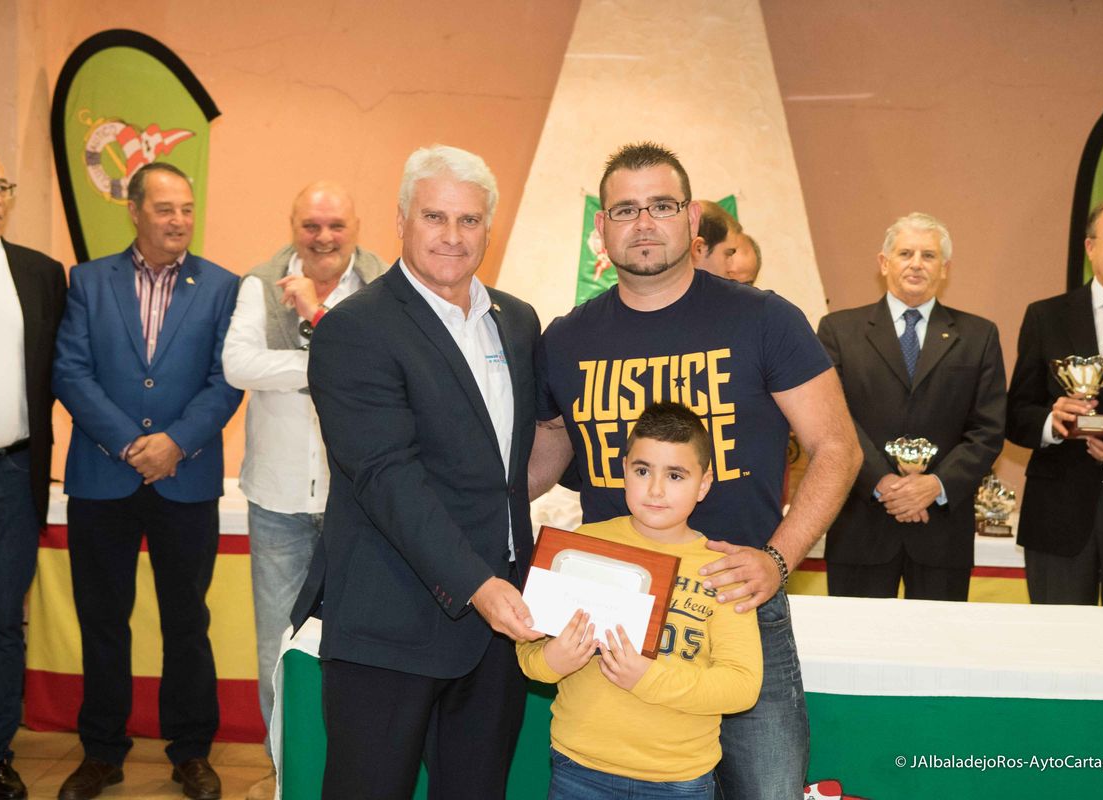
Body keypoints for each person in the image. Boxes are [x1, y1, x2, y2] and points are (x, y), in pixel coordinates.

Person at [529, 142, 860, 800]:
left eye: (661, 205)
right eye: (625, 209)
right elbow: (542, 461)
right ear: (601, 227)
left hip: (737, 600)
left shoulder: (764, 319)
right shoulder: (565, 340)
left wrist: (779, 558)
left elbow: (837, 448)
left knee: (766, 790)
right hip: (614, 607)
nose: (643, 223)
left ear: (691, 217)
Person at [293, 145, 541, 800]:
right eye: (435, 217)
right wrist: (478, 585)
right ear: (402, 220)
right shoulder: (355, 329)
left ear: (488, 228)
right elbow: (386, 477)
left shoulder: (517, 323)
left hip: (495, 632)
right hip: (389, 624)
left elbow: (511, 465)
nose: (453, 236)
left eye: (469, 219)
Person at [52, 162, 243, 800]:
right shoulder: (88, 281)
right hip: (102, 477)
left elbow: (226, 380)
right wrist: (131, 444)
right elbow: (70, 371)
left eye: (186, 208)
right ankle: (101, 753)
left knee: (187, 621)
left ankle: (191, 753)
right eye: (165, 209)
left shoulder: (221, 286)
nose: (178, 220)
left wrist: (176, 443)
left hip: (185, 480)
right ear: (133, 211)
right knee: (103, 620)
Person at [221, 181, 386, 799]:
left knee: (363, 648)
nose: (323, 237)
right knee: (278, 651)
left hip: (362, 503)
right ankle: (285, 776)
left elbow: (388, 370)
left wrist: (317, 326)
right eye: (311, 225)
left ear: (357, 226)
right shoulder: (260, 284)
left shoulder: (384, 285)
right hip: (279, 501)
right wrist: (326, 366)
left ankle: (350, 778)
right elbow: (238, 364)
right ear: (293, 226)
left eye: (336, 225)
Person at [519, 401, 762, 799]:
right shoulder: (581, 545)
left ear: (703, 484)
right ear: (624, 470)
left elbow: (741, 686)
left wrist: (647, 679)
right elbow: (527, 651)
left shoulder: (722, 569)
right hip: (578, 767)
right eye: (643, 470)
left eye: (676, 475)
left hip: (678, 777)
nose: (656, 490)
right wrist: (553, 660)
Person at [816, 212, 1006, 601]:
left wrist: (934, 486)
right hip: (861, 526)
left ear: (945, 268)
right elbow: (831, 419)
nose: (916, 264)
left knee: (940, 640)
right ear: (884, 262)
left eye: (928, 255)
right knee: (859, 639)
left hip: (942, 529)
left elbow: (988, 429)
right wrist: (882, 484)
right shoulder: (838, 330)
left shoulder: (979, 335)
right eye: (905, 253)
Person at [0, 143, 66, 800]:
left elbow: (66, 371)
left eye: (2, 186)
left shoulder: (40, 274)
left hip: (11, 478)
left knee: (1, 623)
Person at [1006, 197, 1103, 629]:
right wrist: (1052, 424)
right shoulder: (1046, 316)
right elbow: (1016, 414)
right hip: (1059, 519)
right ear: (1091, 247)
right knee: (1058, 649)